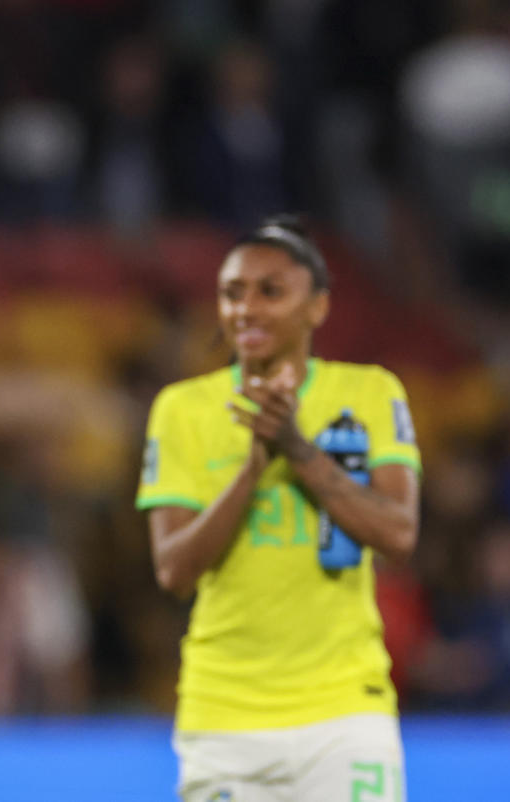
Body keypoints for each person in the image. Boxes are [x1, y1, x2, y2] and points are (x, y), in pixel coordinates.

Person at [137, 216, 420, 802]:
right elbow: (173, 571)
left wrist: (297, 449)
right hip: (224, 715)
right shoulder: (183, 409)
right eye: (232, 293)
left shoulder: (370, 393)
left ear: (318, 306)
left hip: (345, 712)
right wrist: (252, 469)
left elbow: (398, 534)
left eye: (270, 291)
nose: (246, 309)